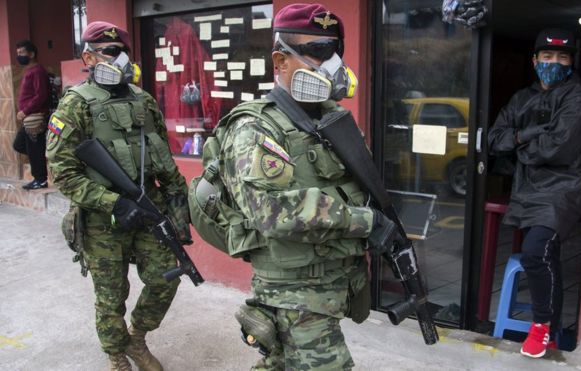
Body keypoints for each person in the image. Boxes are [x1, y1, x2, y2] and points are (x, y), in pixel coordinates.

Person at [202, 3, 401, 370]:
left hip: (333, 280)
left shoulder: (334, 119)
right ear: (280, 62)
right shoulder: (256, 128)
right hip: (291, 291)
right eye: (319, 53)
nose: (332, 64)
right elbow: (270, 212)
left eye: (336, 51)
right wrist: (364, 222)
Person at [46, 21, 192, 371]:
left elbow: (163, 158)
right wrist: (113, 202)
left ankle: (136, 338)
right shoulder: (76, 105)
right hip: (101, 219)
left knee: (164, 279)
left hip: (148, 210)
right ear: (89, 57)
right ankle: (116, 355)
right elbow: (63, 173)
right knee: (111, 296)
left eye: (124, 52)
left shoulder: (142, 101)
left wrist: (179, 210)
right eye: (112, 53)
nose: (121, 60)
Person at [488, 28, 581, 358]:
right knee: (546, 255)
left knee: (536, 250)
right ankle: (553, 329)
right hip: (527, 189)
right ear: (535, 60)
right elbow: (493, 139)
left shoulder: (576, 96)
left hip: (563, 189)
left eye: (562, 57)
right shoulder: (522, 98)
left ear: (572, 62)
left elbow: (558, 149)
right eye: (547, 56)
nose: (554, 62)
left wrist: (519, 147)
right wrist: (524, 135)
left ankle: (542, 325)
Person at [14, 40, 50, 190]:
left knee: (35, 149)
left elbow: (41, 95)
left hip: (35, 118)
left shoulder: (38, 71)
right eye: (18, 54)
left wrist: (25, 111)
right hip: (28, 119)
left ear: (32, 54)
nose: (19, 56)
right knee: (20, 144)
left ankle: (40, 179)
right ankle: (41, 160)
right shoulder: (29, 70)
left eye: (22, 52)